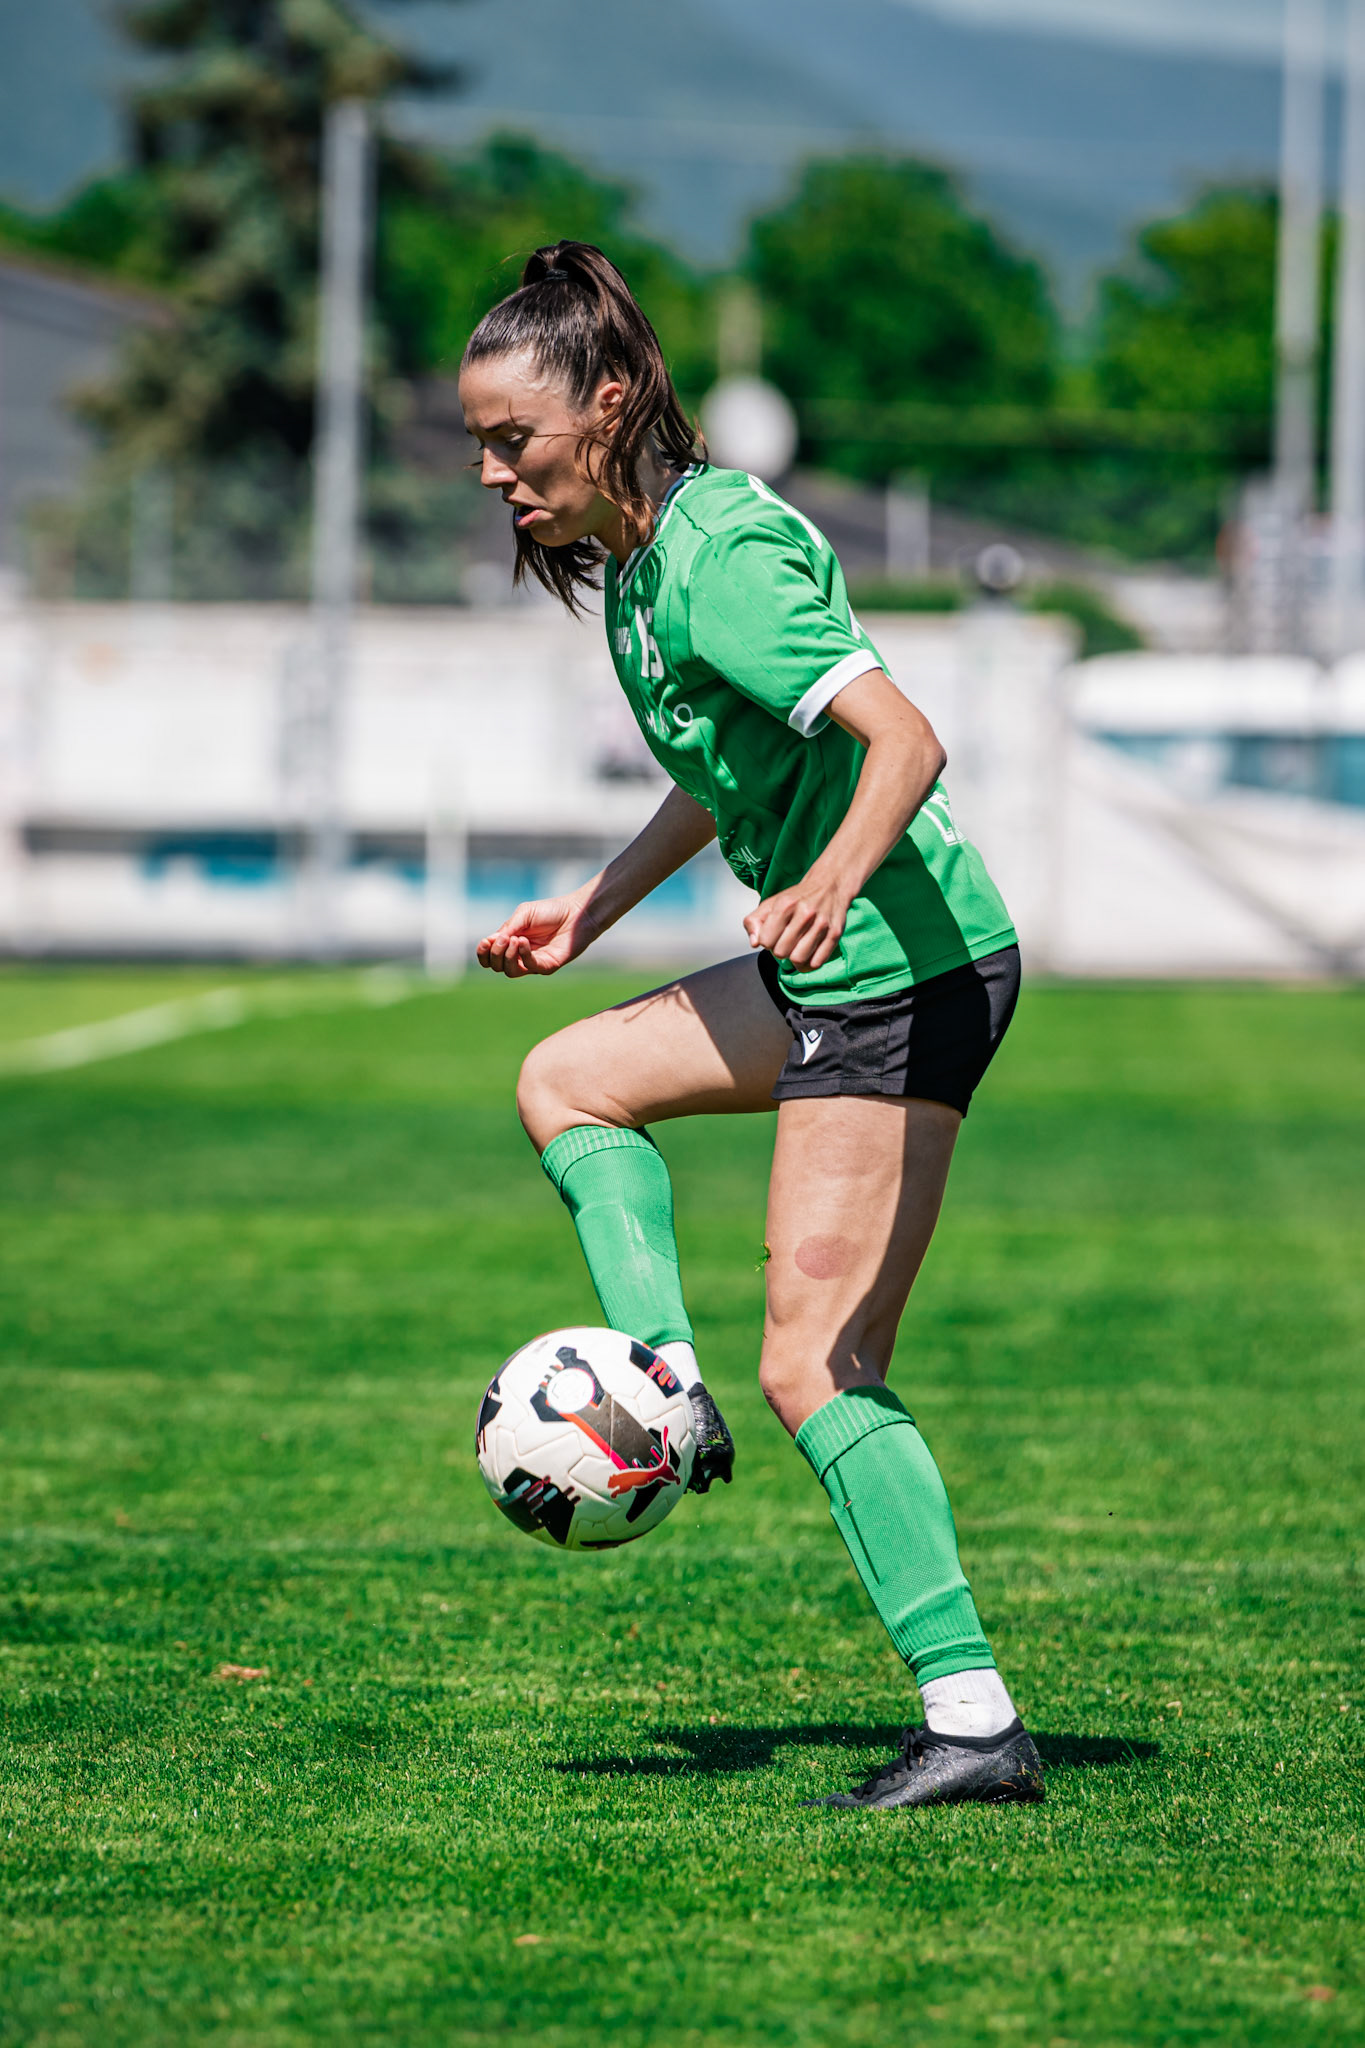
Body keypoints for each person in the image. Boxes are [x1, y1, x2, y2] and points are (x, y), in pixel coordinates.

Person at [460, 241, 1043, 1811]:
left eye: (516, 441)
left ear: (608, 401)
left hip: (901, 970)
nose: (497, 473)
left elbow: (901, 744)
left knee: (823, 1366)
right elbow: (725, 771)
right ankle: (658, 1364)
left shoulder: (717, 556)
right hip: (829, 965)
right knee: (568, 1077)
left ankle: (975, 1722)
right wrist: (591, 910)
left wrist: (829, 888)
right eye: (481, 449)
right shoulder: (646, 572)